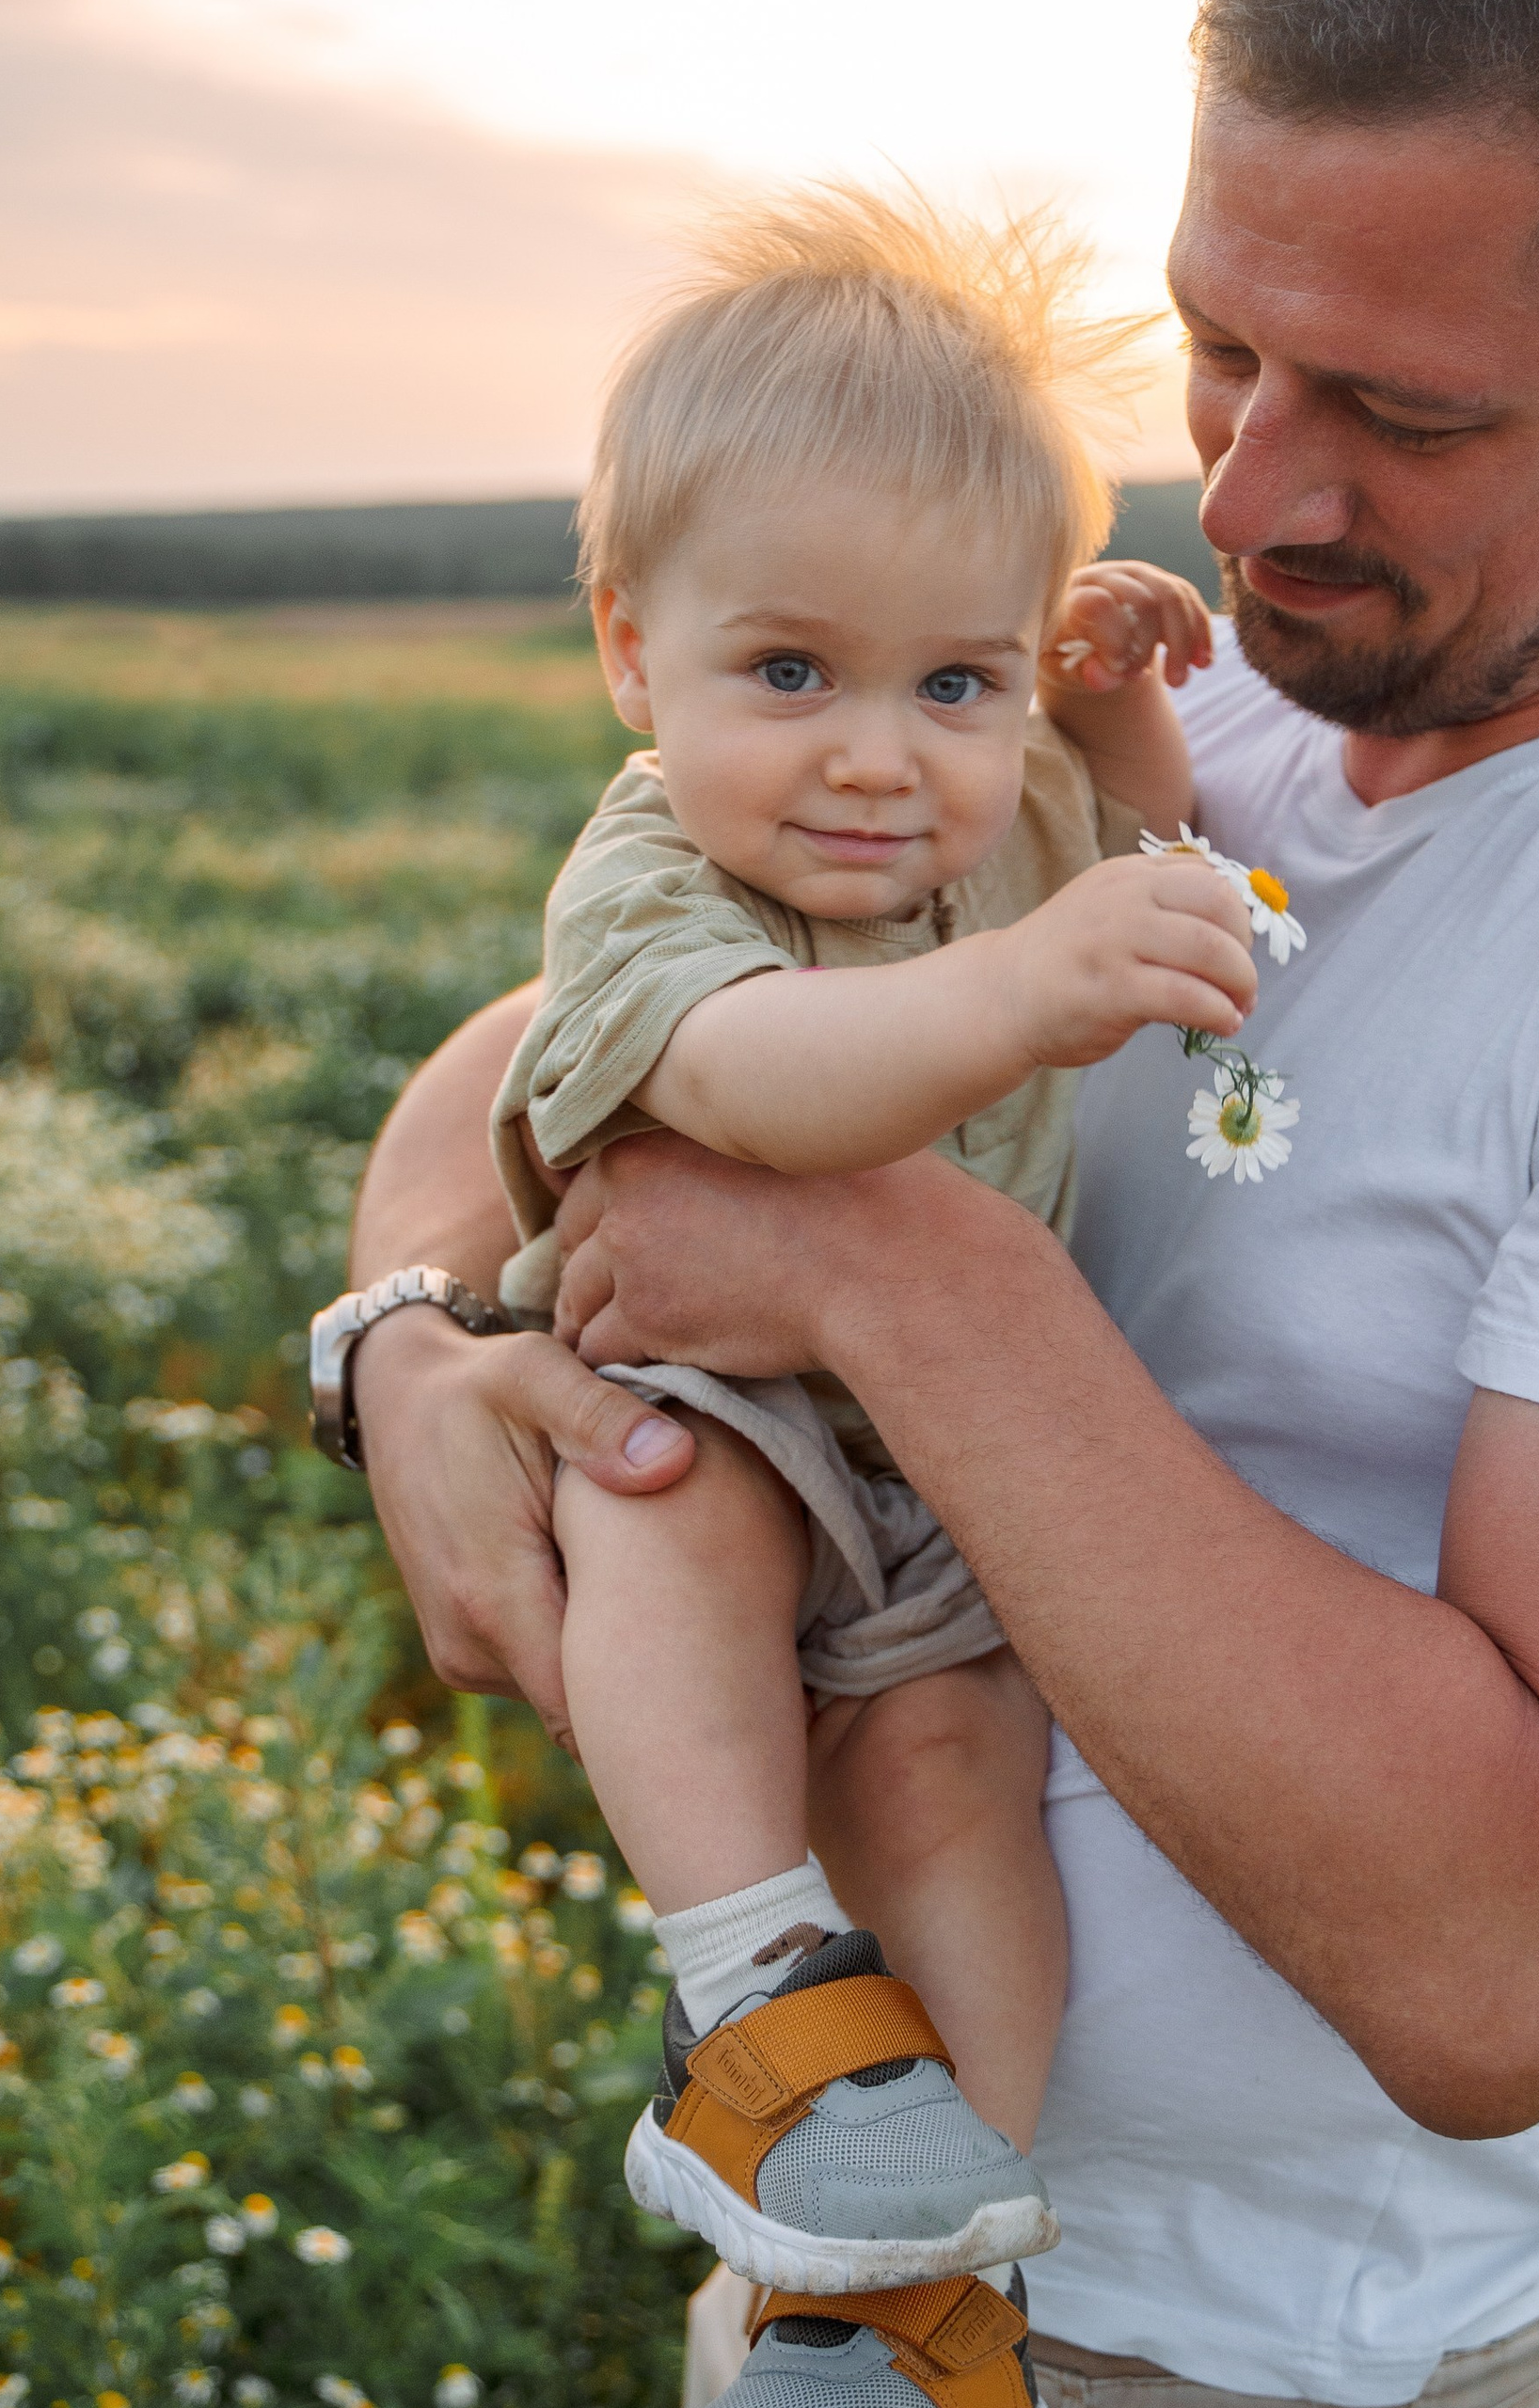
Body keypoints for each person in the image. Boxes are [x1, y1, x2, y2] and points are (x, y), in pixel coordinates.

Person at [331, 3, 1539, 2402]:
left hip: (1283, 2362)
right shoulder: (1099, 707)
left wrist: (883, 1261)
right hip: (816, 2274)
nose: (1252, 495)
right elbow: (536, 1038)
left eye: (1403, 408)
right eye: (1217, 349)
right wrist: (408, 1341)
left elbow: (1508, 1966)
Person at [487, 183, 1242, 2315]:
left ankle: (914, 2271)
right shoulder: (644, 874)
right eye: (790, 666)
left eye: (951, 677)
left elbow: (1151, 855)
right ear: (636, 648)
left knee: (959, 1780)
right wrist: (1020, 995)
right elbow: (759, 1079)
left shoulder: (992, 807)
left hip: (933, 1462)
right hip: (710, 1405)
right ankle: (751, 1988)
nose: (871, 755)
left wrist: (1107, 727)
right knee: (670, 1519)